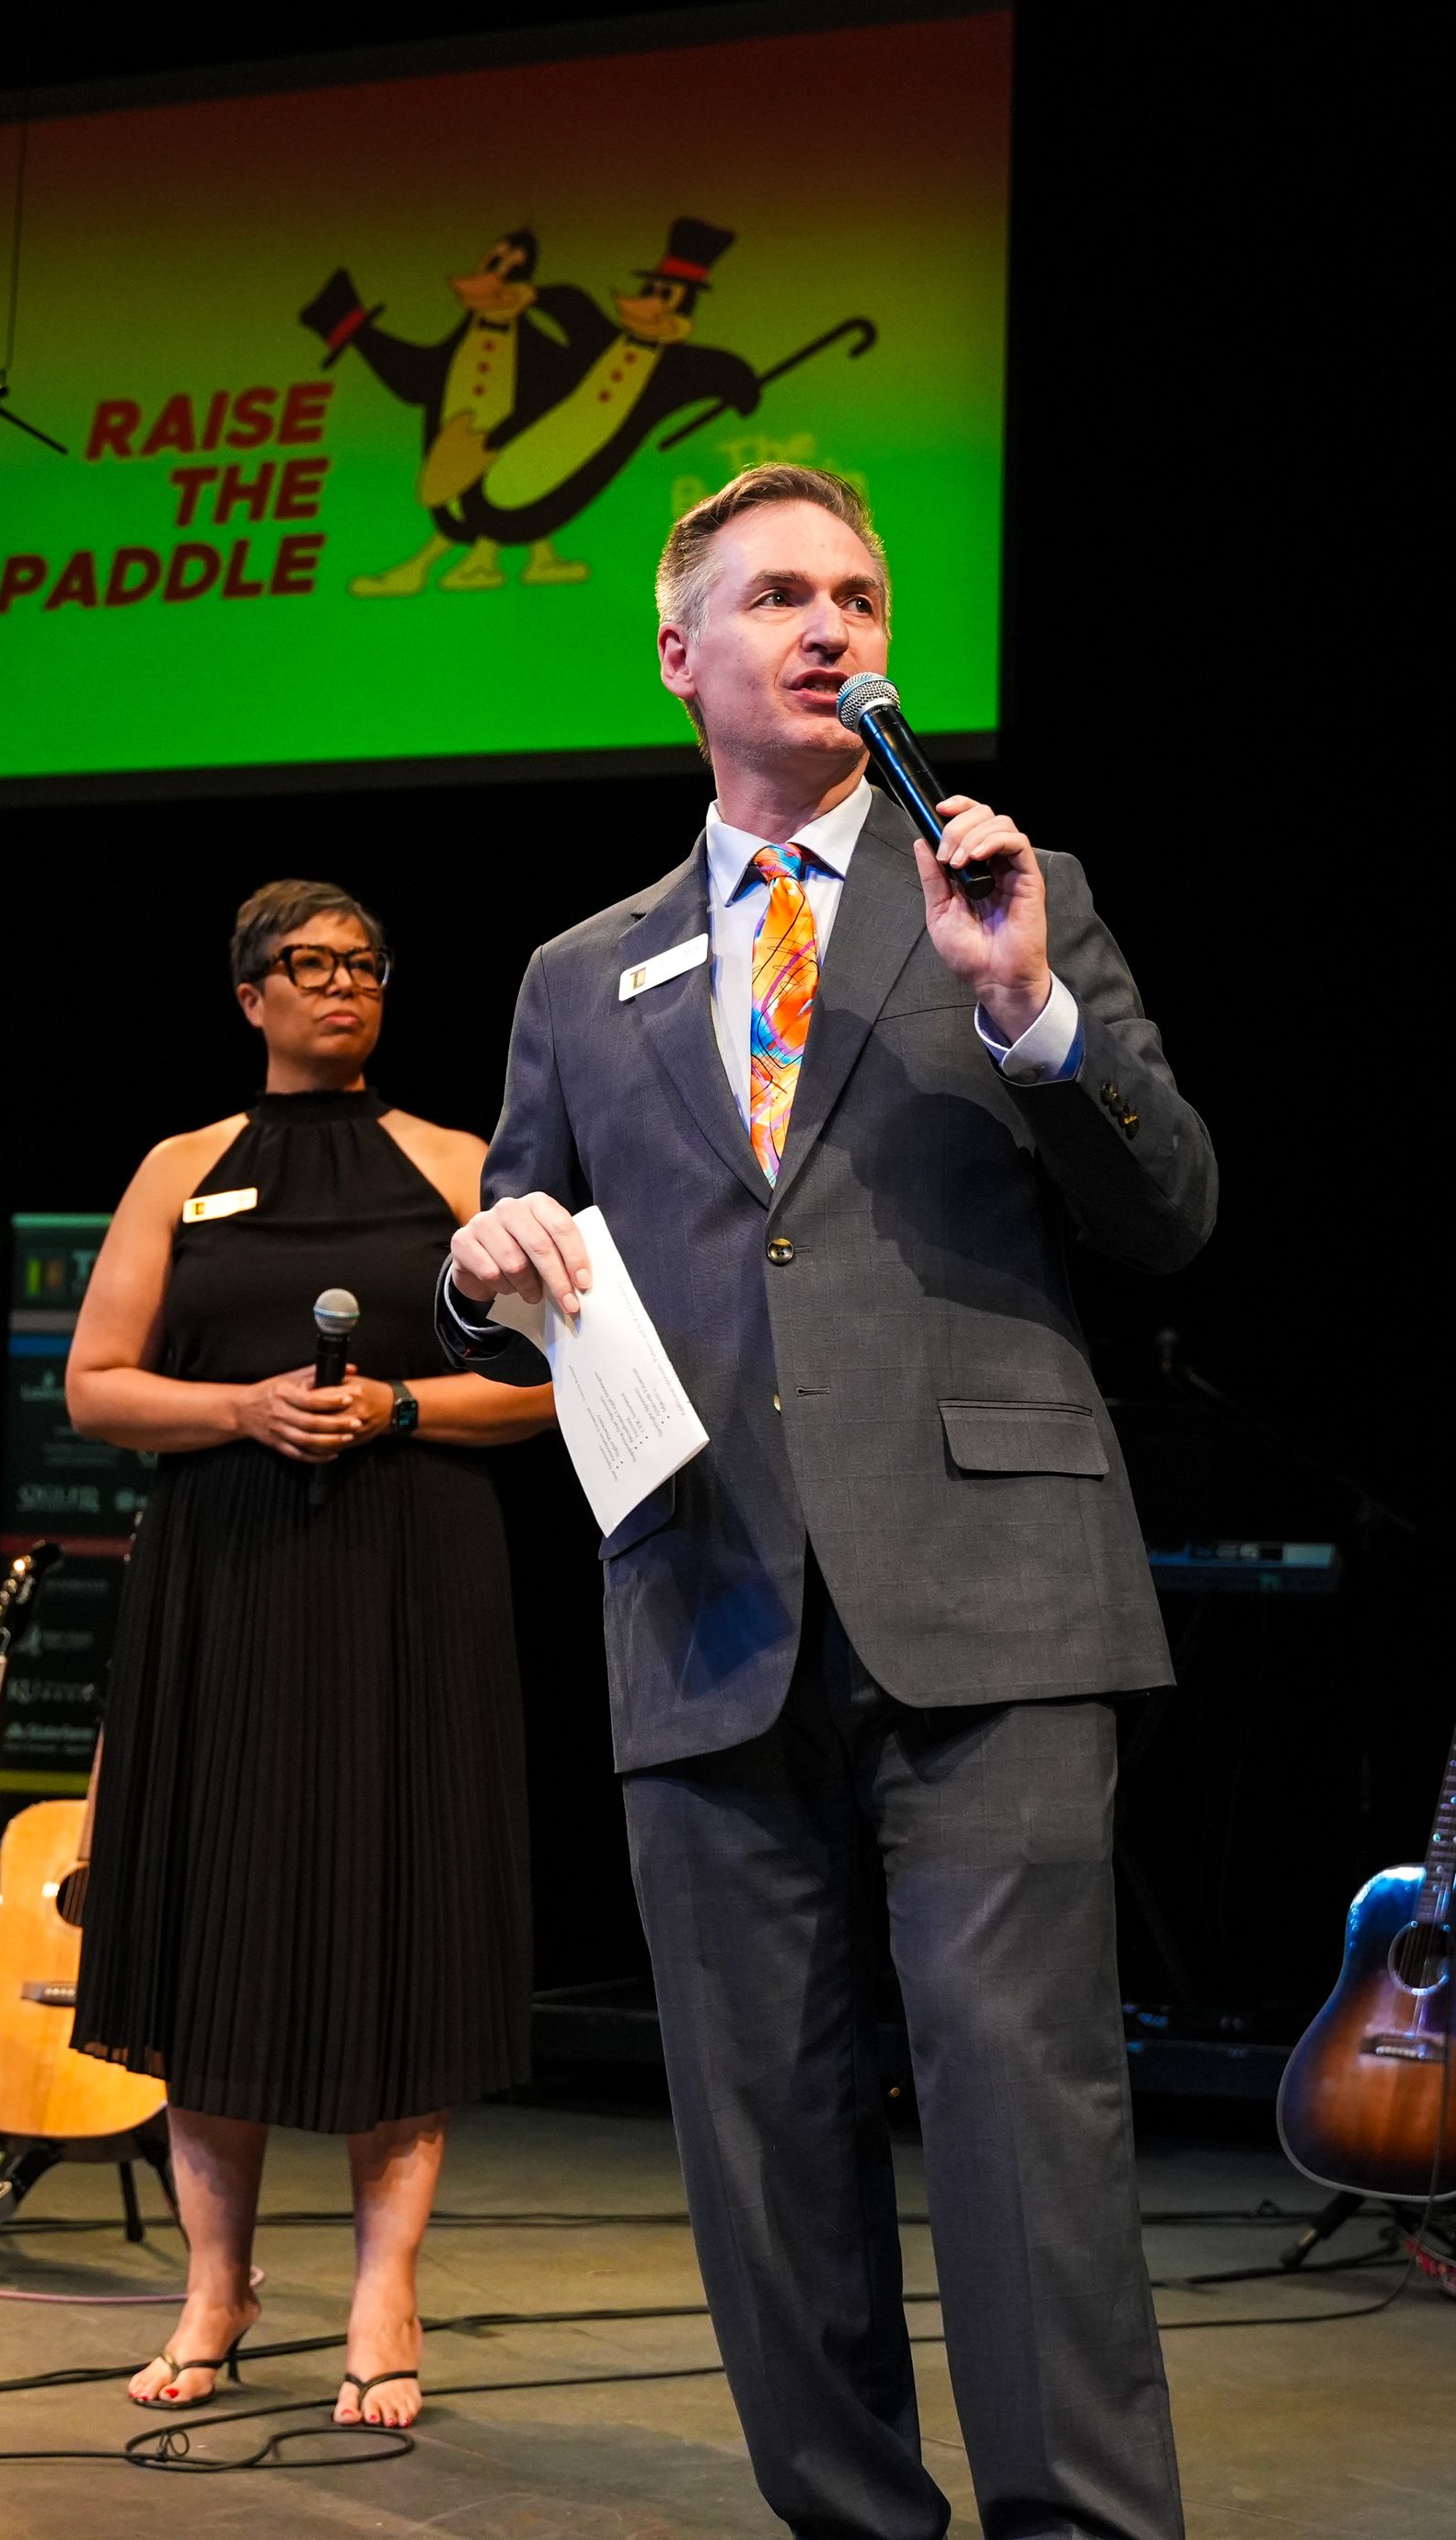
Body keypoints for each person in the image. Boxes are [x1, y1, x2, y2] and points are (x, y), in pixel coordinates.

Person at [436, 464, 1215, 2539]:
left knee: (1022, 2118)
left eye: (860, 596)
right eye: (779, 594)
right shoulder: (577, 969)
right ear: (680, 653)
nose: (833, 625)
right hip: (704, 1601)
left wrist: (1026, 1008)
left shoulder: (1005, 897)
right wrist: (483, 1271)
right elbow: (520, 1229)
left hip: (994, 1597)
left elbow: (1172, 1213)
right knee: (761, 2144)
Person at [68, 878, 553, 2428]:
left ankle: (382, 2286)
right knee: (215, 1933)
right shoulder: (179, 1168)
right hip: (225, 1582)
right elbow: (95, 1386)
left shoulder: (462, 1167)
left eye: (361, 965)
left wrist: (398, 1406)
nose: (338, 986)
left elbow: (552, 1392)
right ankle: (214, 2289)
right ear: (249, 996)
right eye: (305, 965)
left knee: (396, 1918)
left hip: (412, 1584)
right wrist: (244, 1408)